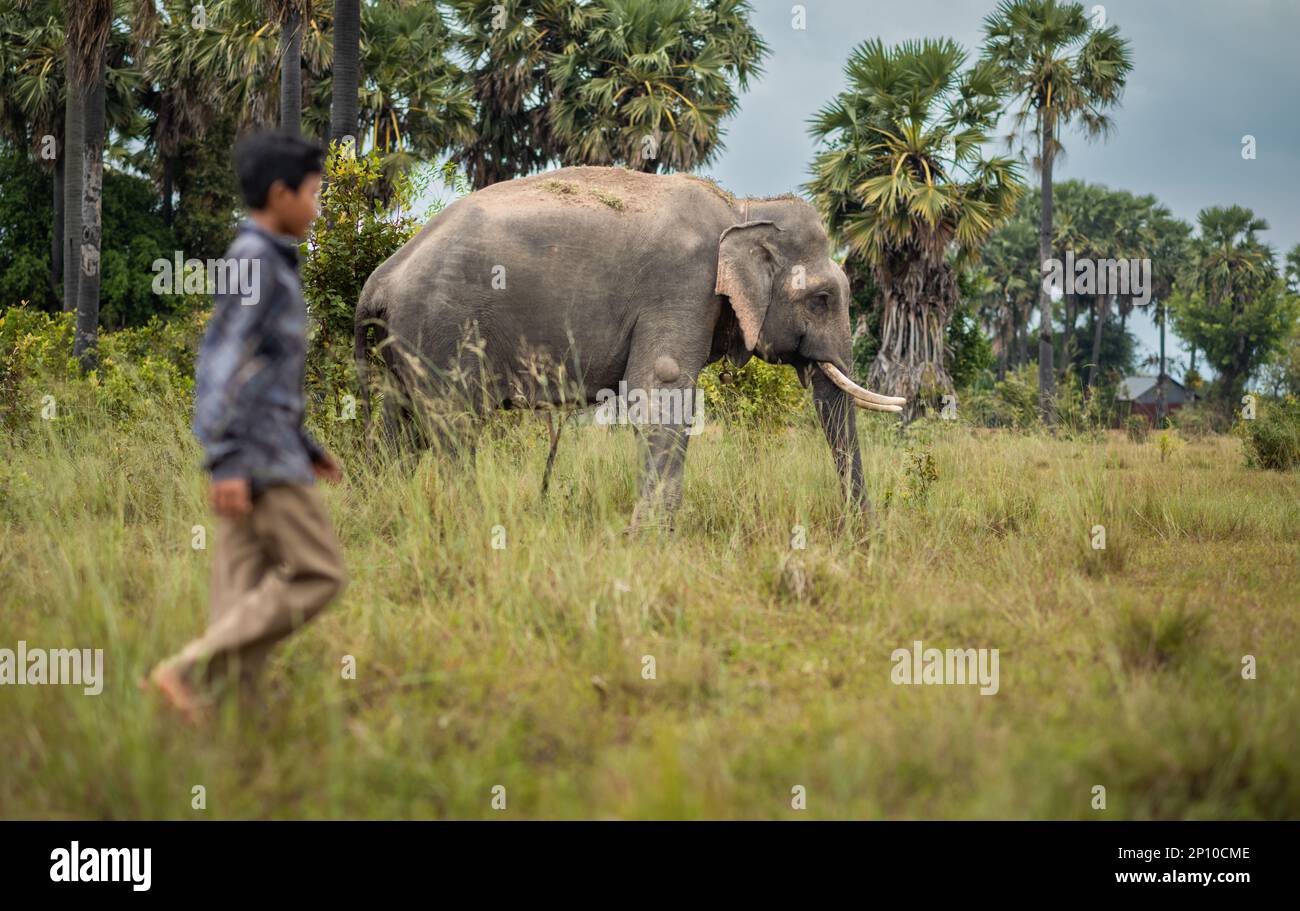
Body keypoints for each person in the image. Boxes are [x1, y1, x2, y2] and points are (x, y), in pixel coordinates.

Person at [148, 131, 346, 723]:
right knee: (320, 573)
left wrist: (307, 444)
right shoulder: (256, 260)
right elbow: (223, 362)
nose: (316, 206)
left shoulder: (268, 259)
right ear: (281, 193)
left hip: (269, 449)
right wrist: (229, 459)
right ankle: (185, 668)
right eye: (313, 193)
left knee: (240, 590)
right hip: (259, 458)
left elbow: (265, 371)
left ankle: (229, 726)